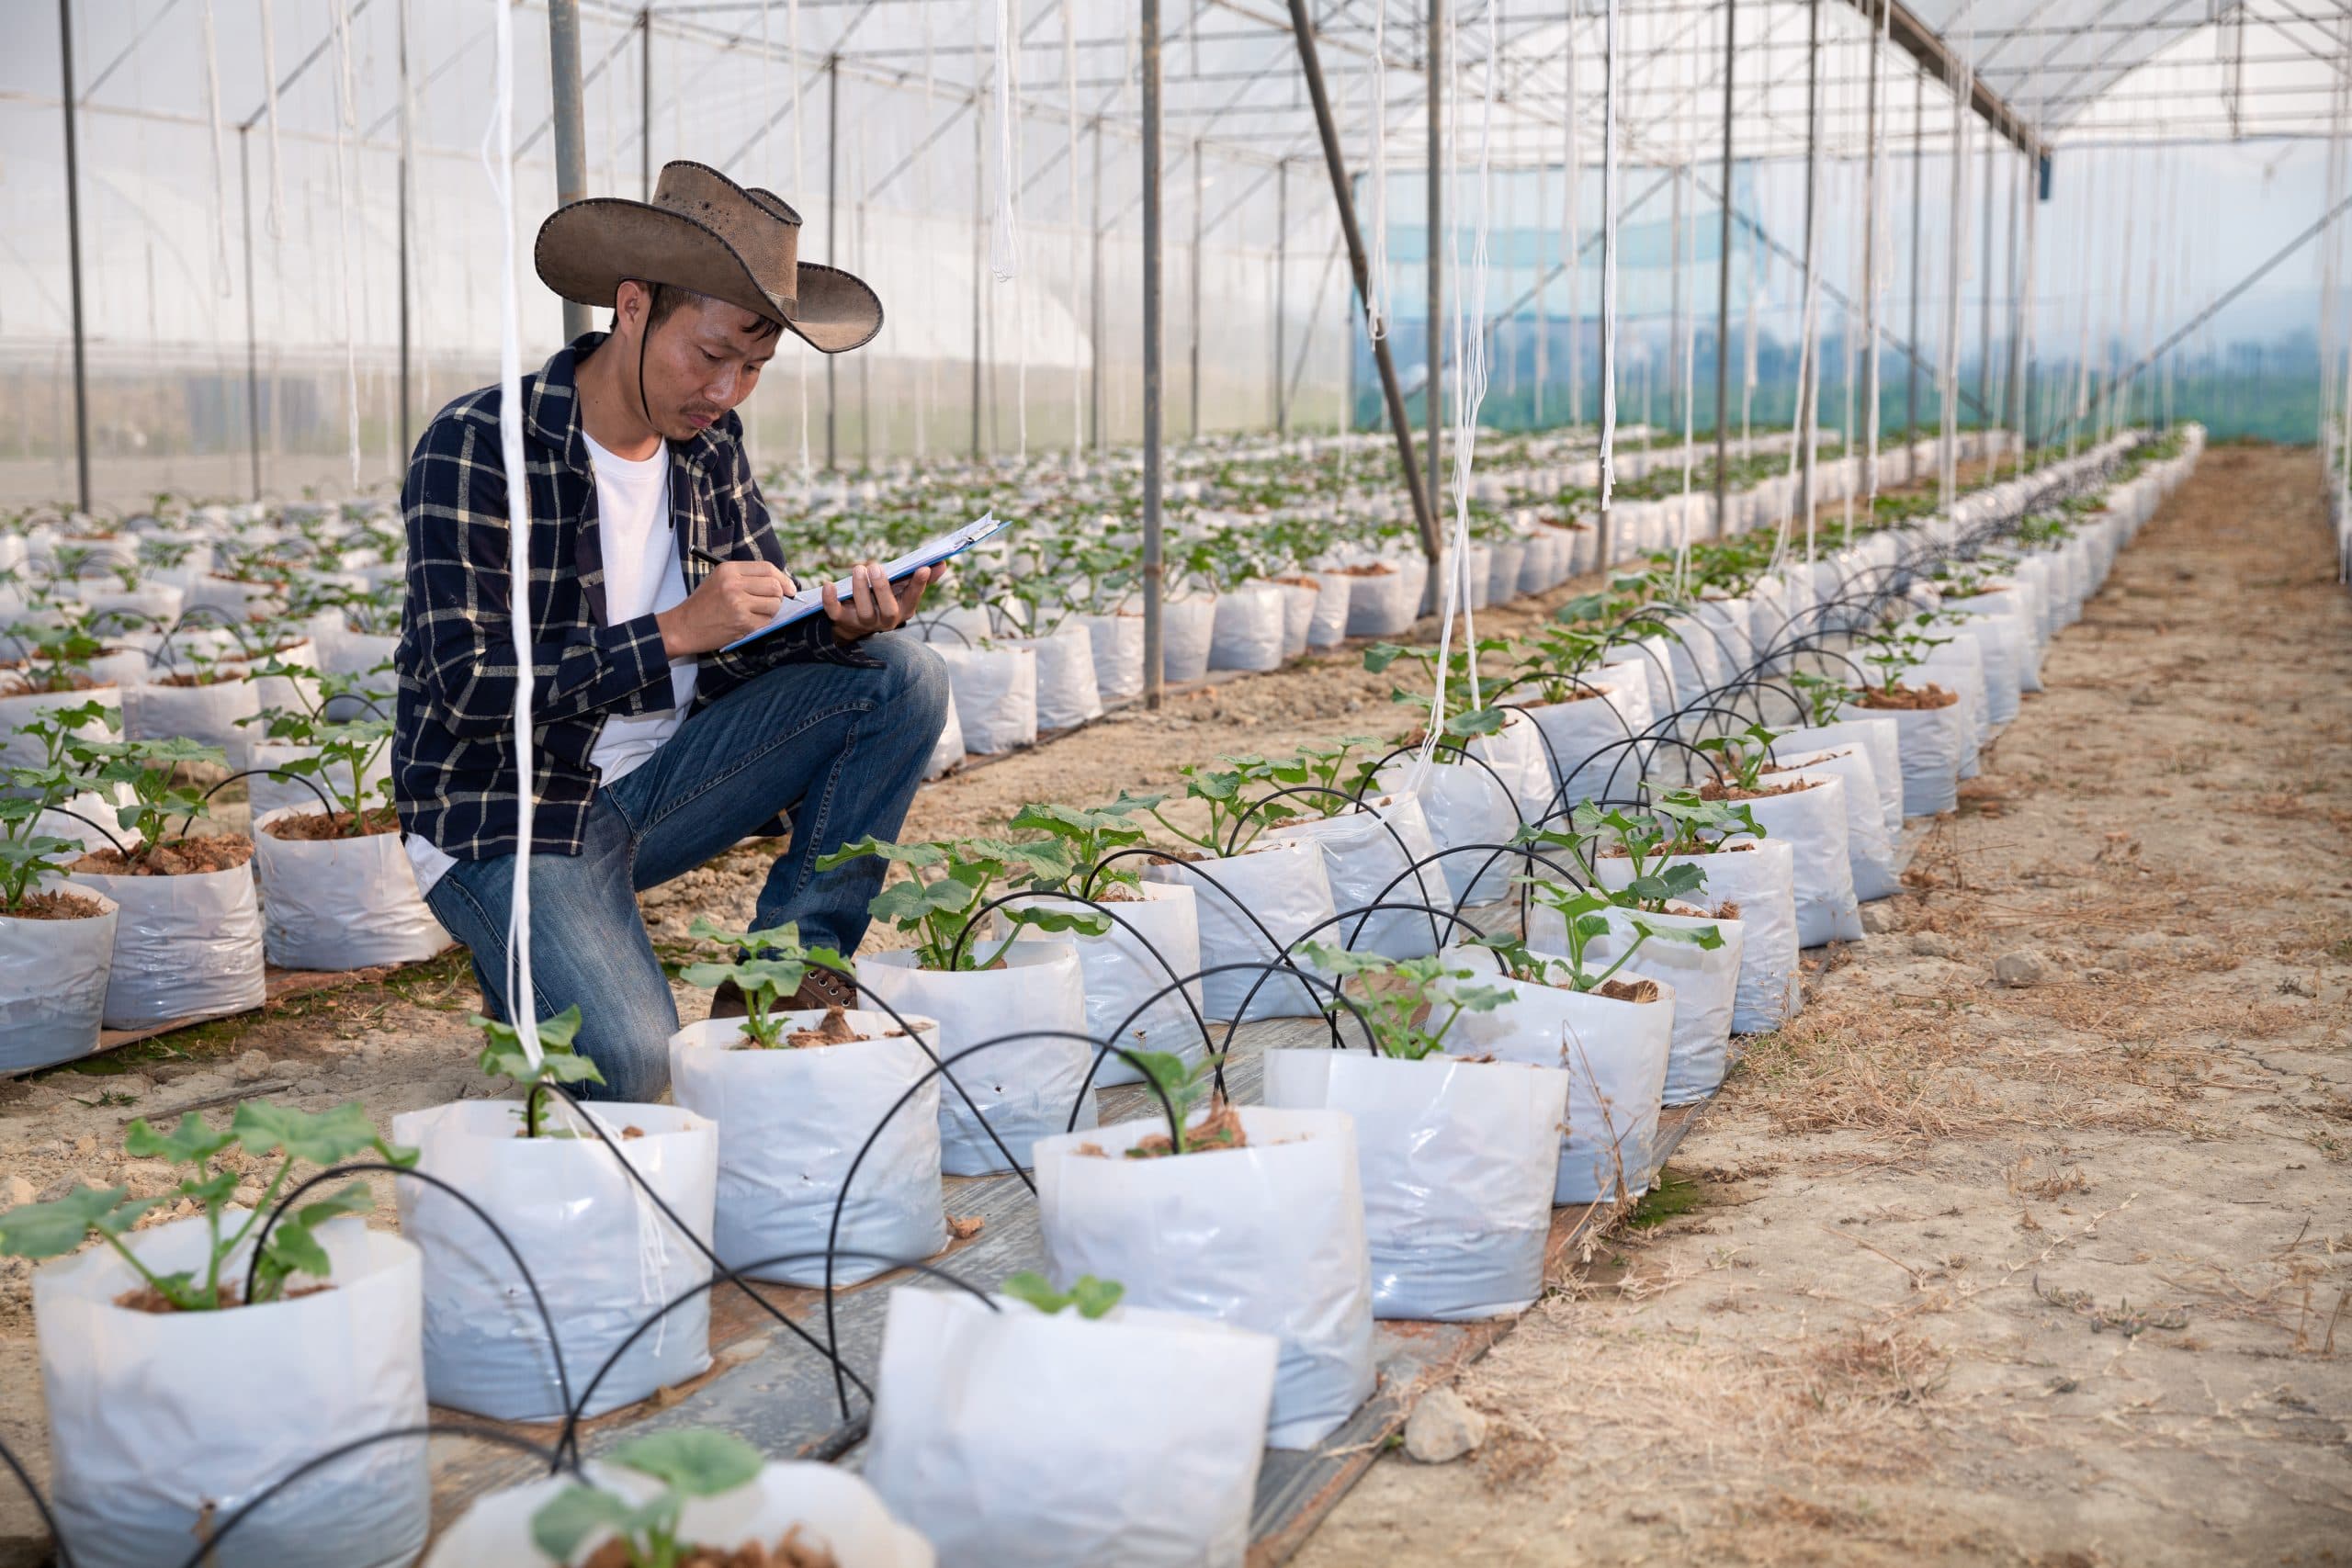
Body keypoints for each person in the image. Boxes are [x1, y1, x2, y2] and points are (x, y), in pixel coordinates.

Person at [392, 160, 948, 1099]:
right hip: (509, 817)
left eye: (755, 369)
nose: (726, 391)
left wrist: (841, 630)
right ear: (634, 304)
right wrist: (672, 632)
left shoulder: (708, 448)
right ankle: (525, 947)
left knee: (900, 676)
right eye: (710, 355)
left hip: (661, 789)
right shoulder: (481, 444)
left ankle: (784, 975)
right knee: (630, 1066)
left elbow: (743, 656)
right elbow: (468, 687)